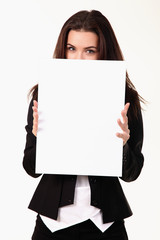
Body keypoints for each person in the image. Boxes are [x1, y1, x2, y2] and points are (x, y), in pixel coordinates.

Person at [23, 10, 144, 240]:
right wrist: (39, 138)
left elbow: (132, 173)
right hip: (51, 225)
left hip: (105, 225)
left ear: (103, 52)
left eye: (89, 51)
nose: (78, 59)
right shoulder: (44, 93)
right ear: (63, 49)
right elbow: (30, 168)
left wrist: (124, 145)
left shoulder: (126, 98)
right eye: (71, 49)